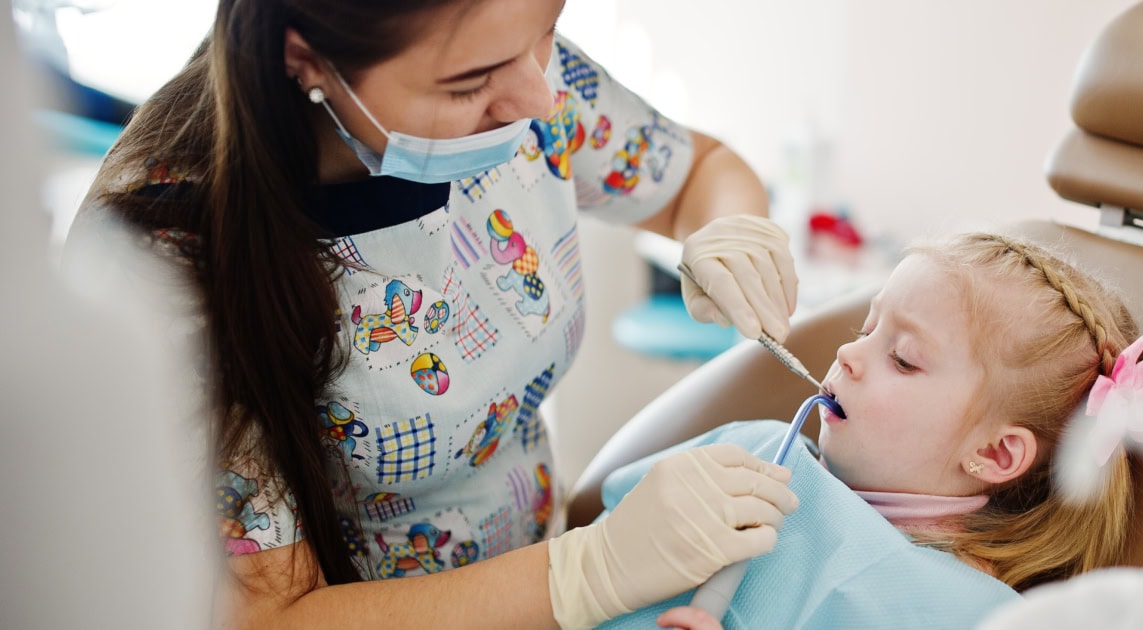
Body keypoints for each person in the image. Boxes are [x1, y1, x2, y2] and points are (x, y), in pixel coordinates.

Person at [65, 1, 803, 628]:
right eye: (469, 84)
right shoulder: (165, 261)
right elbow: (272, 615)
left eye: (546, 29)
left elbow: (697, 173)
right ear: (305, 58)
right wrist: (586, 574)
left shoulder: (514, 65)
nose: (538, 101)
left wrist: (734, 228)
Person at [594, 232, 1143, 629]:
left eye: (903, 358)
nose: (848, 353)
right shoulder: (748, 457)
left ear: (996, 451)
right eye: (865, 327)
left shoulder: (967, 615)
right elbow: (595, 537)